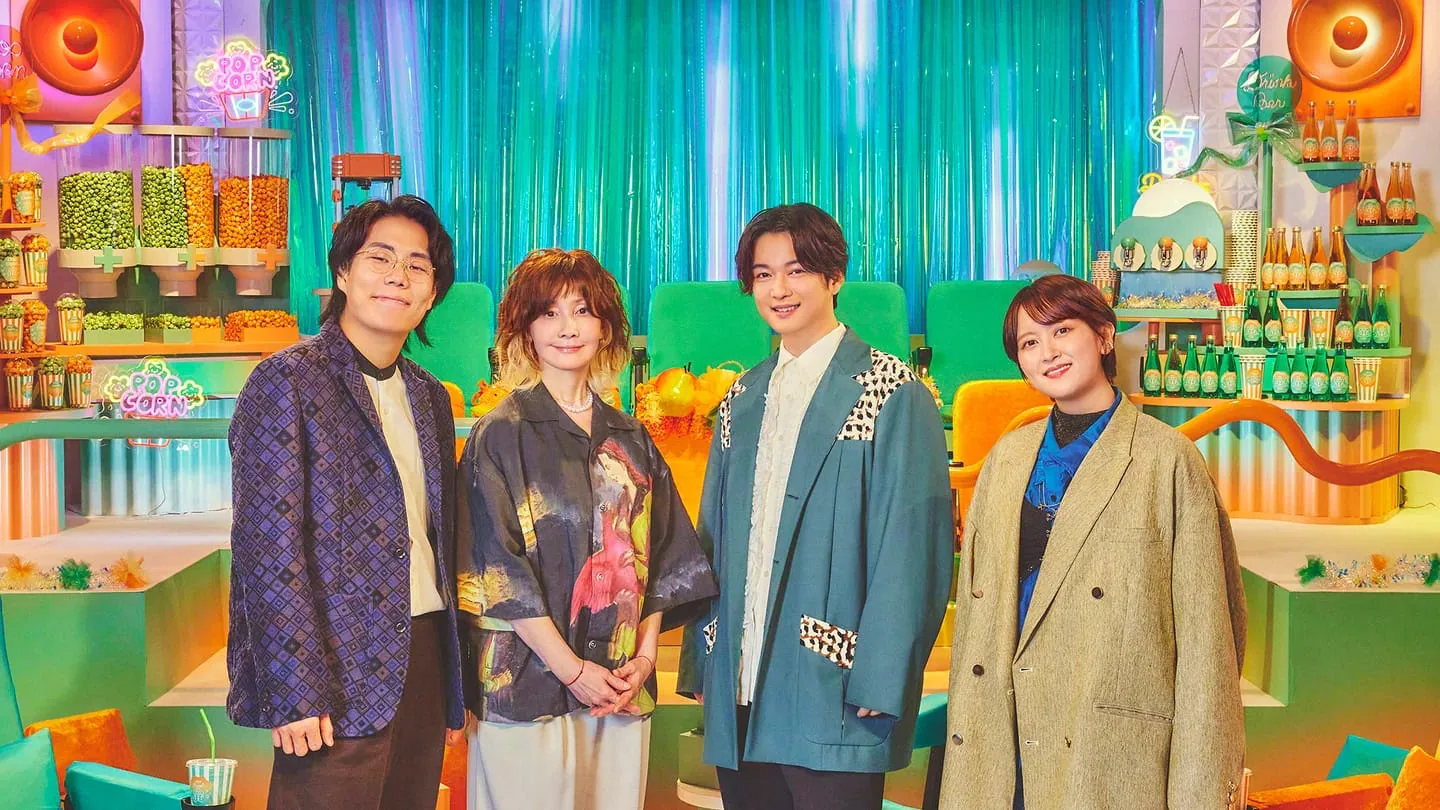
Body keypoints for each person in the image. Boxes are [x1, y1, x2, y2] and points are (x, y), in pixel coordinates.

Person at [676, 203, 954, 810]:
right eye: (763, 274)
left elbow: (913, 549)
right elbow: (712, 538)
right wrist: (702, 663)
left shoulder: (890, 389)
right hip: (740, 678)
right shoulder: (741, 396)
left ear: (834, 277)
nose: (779, 289)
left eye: (796, 270)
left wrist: (884, 674)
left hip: (836, 682)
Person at [940, 273, 1247, 808]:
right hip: (1001, 738)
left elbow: (1209, 647)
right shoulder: (1007, 458)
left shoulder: (1167, 460)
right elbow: (975, 621)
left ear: (1104, 335)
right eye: (1029, 342)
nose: (1047, 352)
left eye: (1062, 330)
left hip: (1106, 748)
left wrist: (1201, 789)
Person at [227, 195, 466, 809]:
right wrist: (294, 690)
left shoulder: (430, 396)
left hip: (422, 653)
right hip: (330, 669)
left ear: (431, 294)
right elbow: (267, 550)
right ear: (342, 272)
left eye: (417, 266)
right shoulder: (286, 381)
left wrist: (453, 679)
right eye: (379, 258)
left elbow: (439, 539)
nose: (398, 276)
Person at [457, 248, 717, 810]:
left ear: (606, 327)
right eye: (549, 313)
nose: (567, 328)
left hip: (620, 689)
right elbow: (499, 573)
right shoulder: (499, 434)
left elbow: (664, 562)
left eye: (582, 311)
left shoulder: (631, 436)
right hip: (525, 686)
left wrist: (642, 662)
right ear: (525, 329)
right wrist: (573, 671)